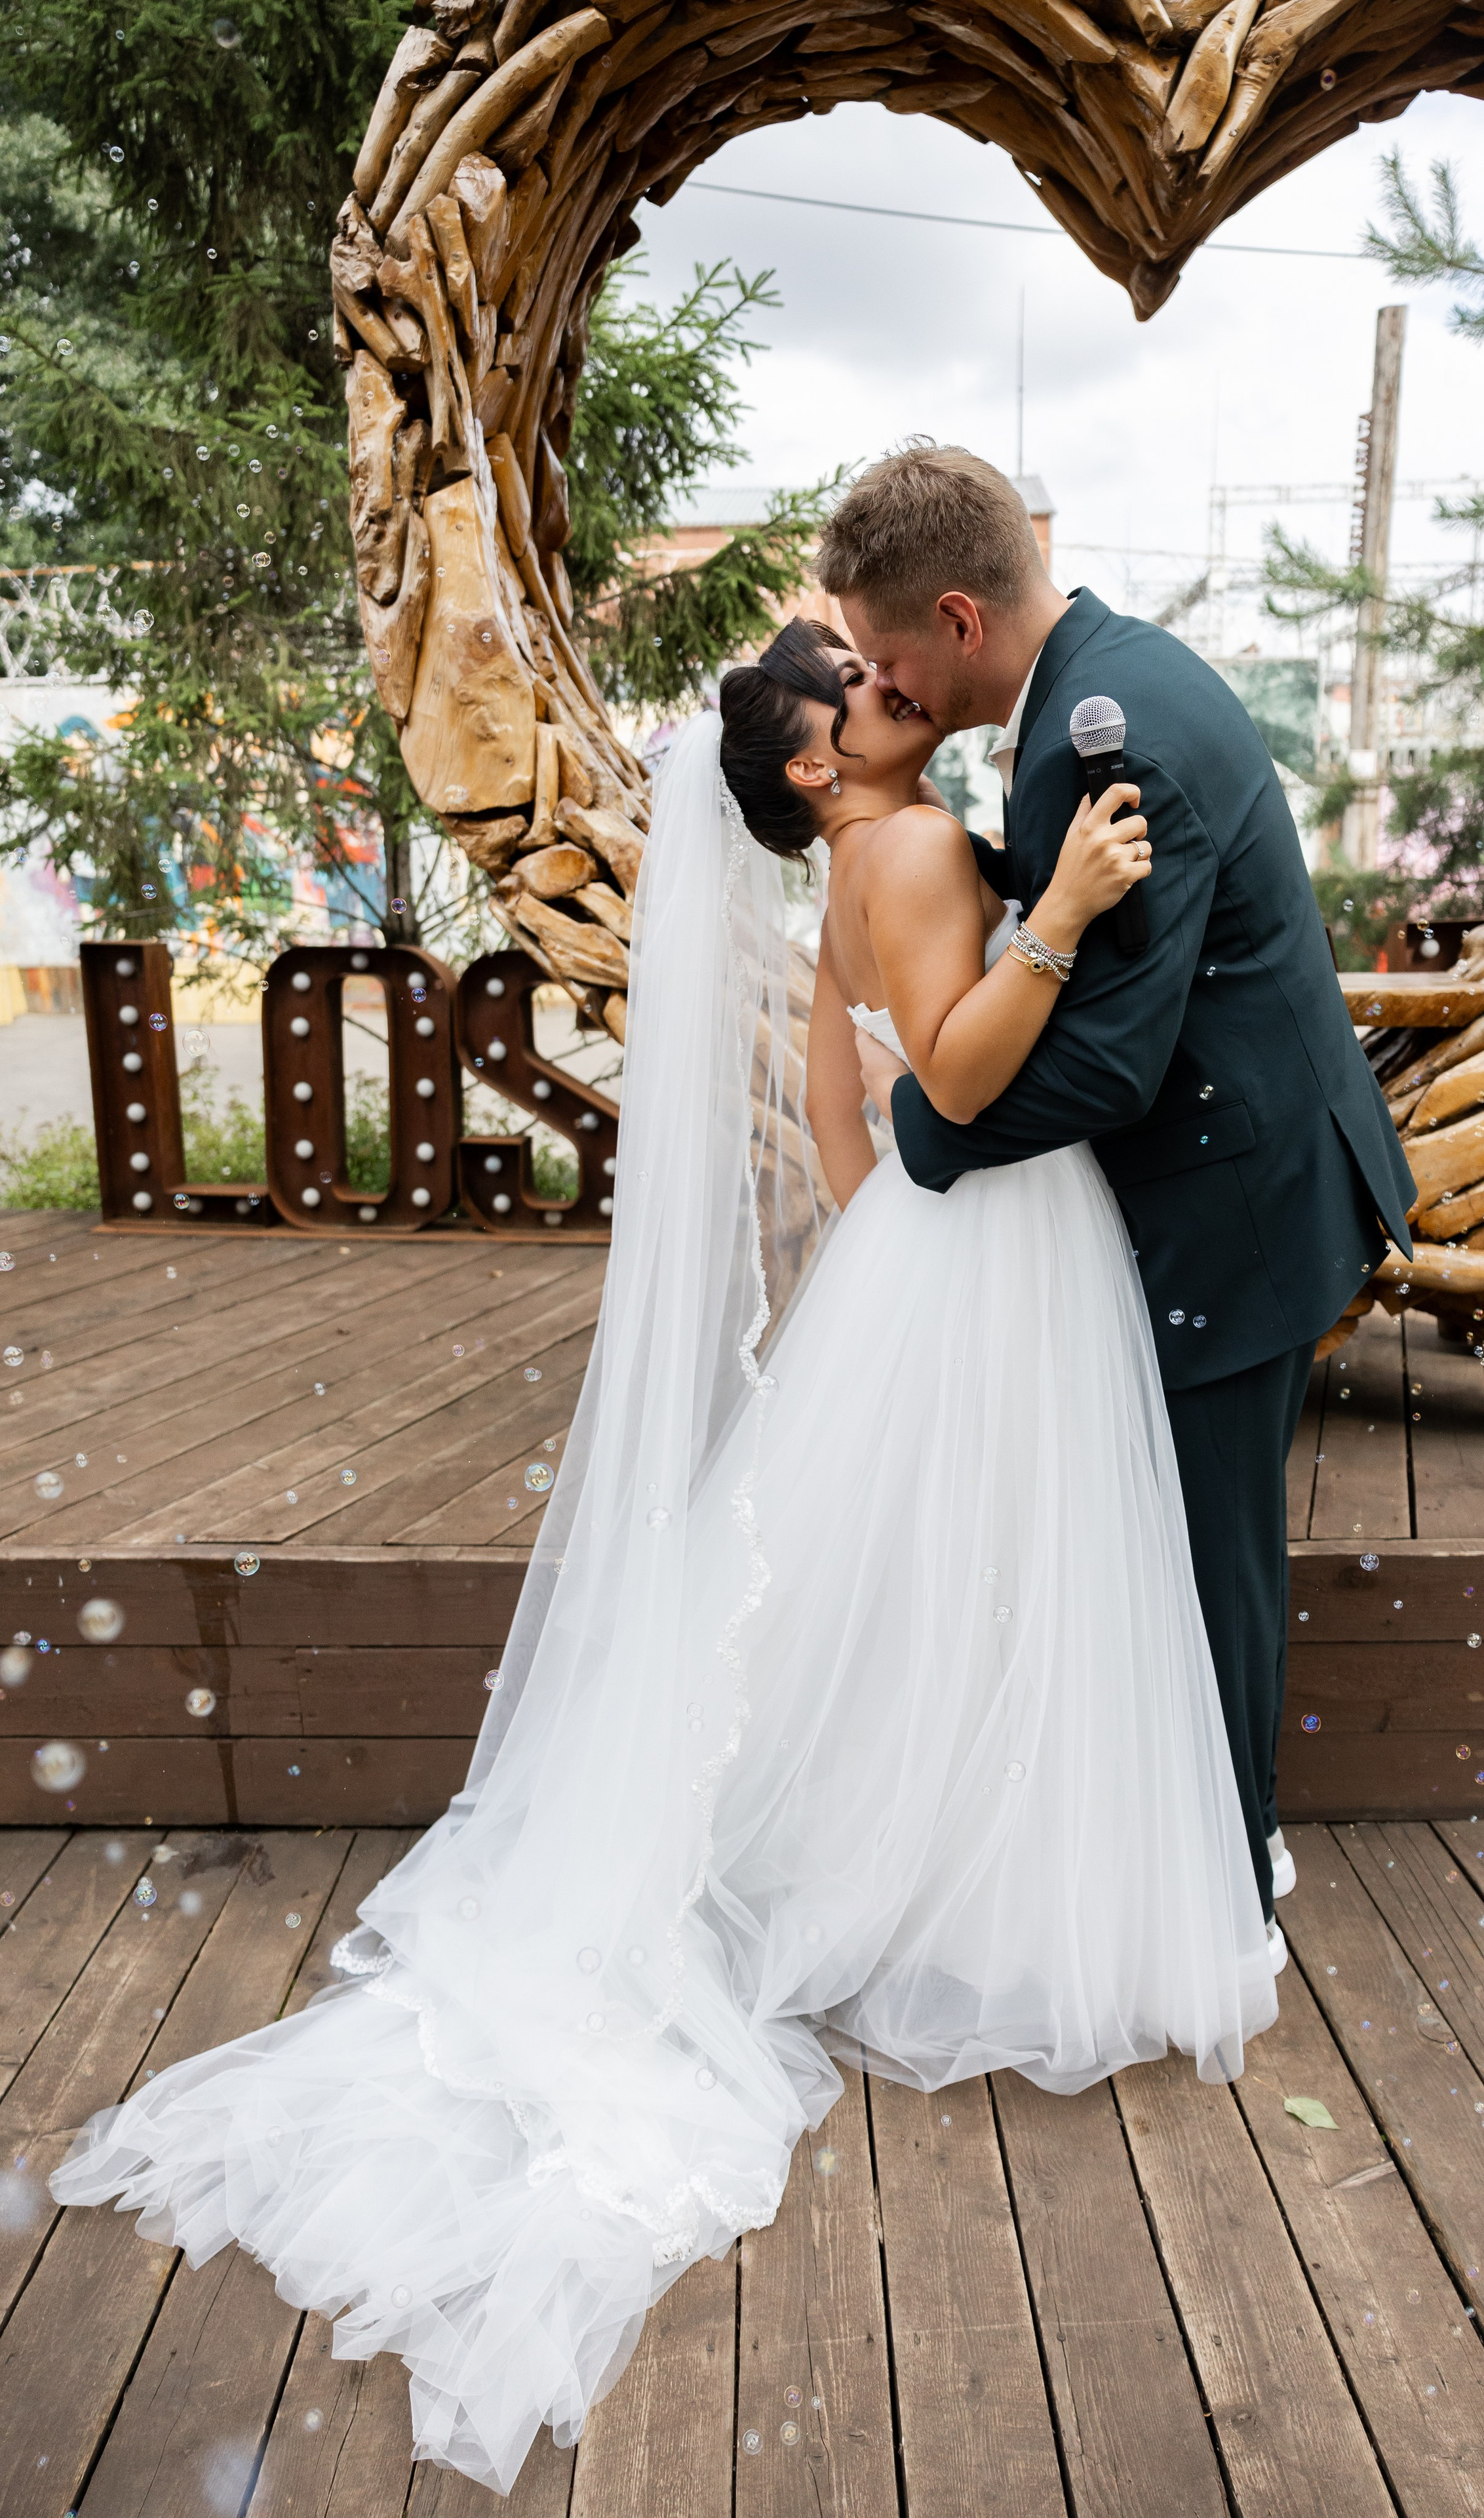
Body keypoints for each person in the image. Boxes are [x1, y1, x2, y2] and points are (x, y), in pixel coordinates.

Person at [49, 621, 1276, 2499]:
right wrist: (1073, 913)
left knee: (900, 1596)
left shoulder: (854, 881)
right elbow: (951, 1081)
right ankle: (984, 1872)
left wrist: (903, 1276)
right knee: (1002, 1585)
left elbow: (840, 1131)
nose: (896, 694)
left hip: (922, 1267)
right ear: (818, 768)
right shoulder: (931, 852)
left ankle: (925, 1850)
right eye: (861, 695)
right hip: (1008, 1251)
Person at [816, 444, 1415, 1929]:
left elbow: (1111, 1069)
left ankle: (1219, 1901)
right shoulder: (1101, 679)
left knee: (1213, 1567)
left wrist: (925, 1134)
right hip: (1236, 1169)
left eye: (889, 656)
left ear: (957, 618)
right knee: (1169, 1542)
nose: (884, 688)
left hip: (1242, 1203)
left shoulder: (1106, 734)